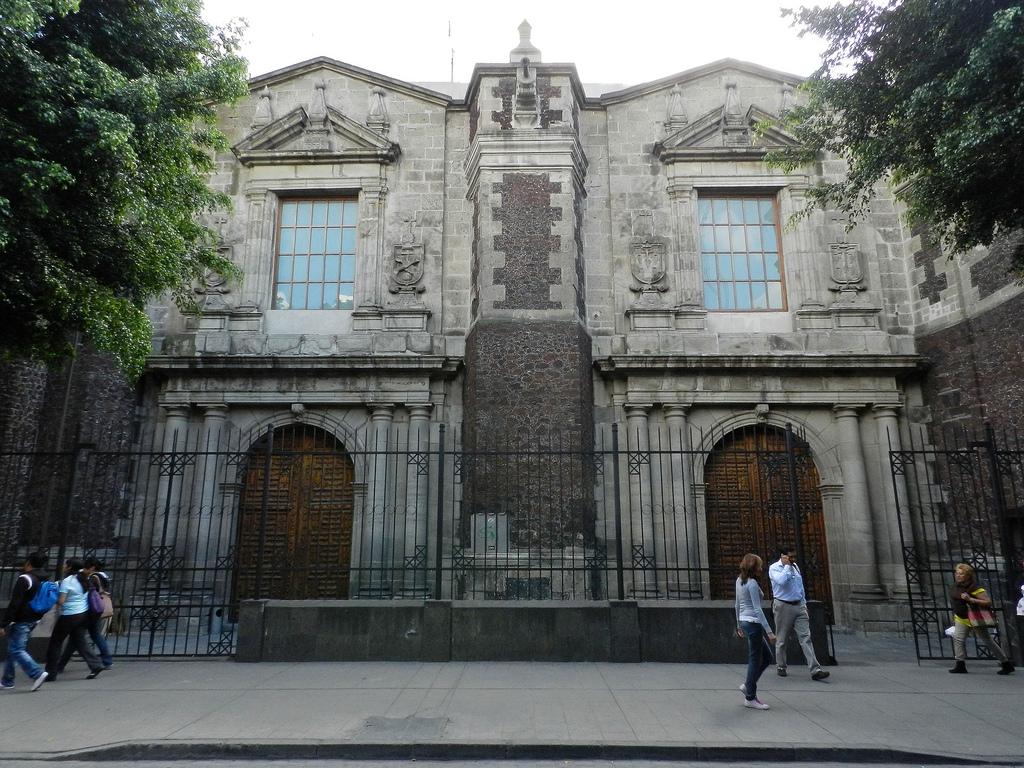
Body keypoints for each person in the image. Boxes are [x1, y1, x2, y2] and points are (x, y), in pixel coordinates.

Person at [768, 546, 829, 680]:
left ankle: (815, 669)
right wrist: (786, 567)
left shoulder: (795, 566)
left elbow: (799, 586)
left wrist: (803, 602)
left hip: (799, 605)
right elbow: (781, 582)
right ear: (783, 557)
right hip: (783, 605)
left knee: (806, 638)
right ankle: (781, 665)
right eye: (791, 557)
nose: (793, 559)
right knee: (782, 638)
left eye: (794, 557)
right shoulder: (774, 568)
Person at [44, 559, 104, 681]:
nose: (64, 567)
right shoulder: (84, 579)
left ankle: (51, 672)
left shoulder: (67, 581)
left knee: (55, 643)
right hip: (83, 613)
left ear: (70, 567)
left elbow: (61, 601)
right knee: (80, 640)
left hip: (69, 615)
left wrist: (52, 597)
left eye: (66, 565)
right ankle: (95, 664)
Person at [948, 563, 1014, 675]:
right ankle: (960, 664)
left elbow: (987, 602)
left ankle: (1005, 663)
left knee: (987, 641)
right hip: (961, 617)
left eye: (961, 574)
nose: (958, 575)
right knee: (958, 639)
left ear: (968, 575)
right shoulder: (956, 586)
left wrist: (970, 599)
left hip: (974, 617)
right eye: (957, 573)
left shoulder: (975, 587)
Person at [1, 552, 51, 691]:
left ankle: (37, 673)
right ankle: (7, 680)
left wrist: (4, 623)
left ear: (28, 563)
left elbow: (15, 603)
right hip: (34, 617)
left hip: (21, 618)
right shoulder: (43, 578)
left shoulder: (25, 579)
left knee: (17, 649)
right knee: (14, 648)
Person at [55, 557, 112, 672]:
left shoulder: (92, 578)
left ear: (92, 567)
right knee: (80, 638)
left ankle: (105, 660)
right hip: (91, 612)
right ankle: (61, 665)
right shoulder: (102, 576)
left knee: (82, 638)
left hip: (86, 612)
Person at [735, 553, 775, 710]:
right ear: (754, 567)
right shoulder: (751, 584)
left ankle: (748, 685)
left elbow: (737, 604)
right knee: (755, 659)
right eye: (760, 565)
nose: (762, 567)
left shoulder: (739, 580)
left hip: (745, 622)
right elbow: (757, 609)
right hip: (753, 623)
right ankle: (750, 697)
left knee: (767, 657)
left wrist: (738, 624)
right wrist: (769, 631)